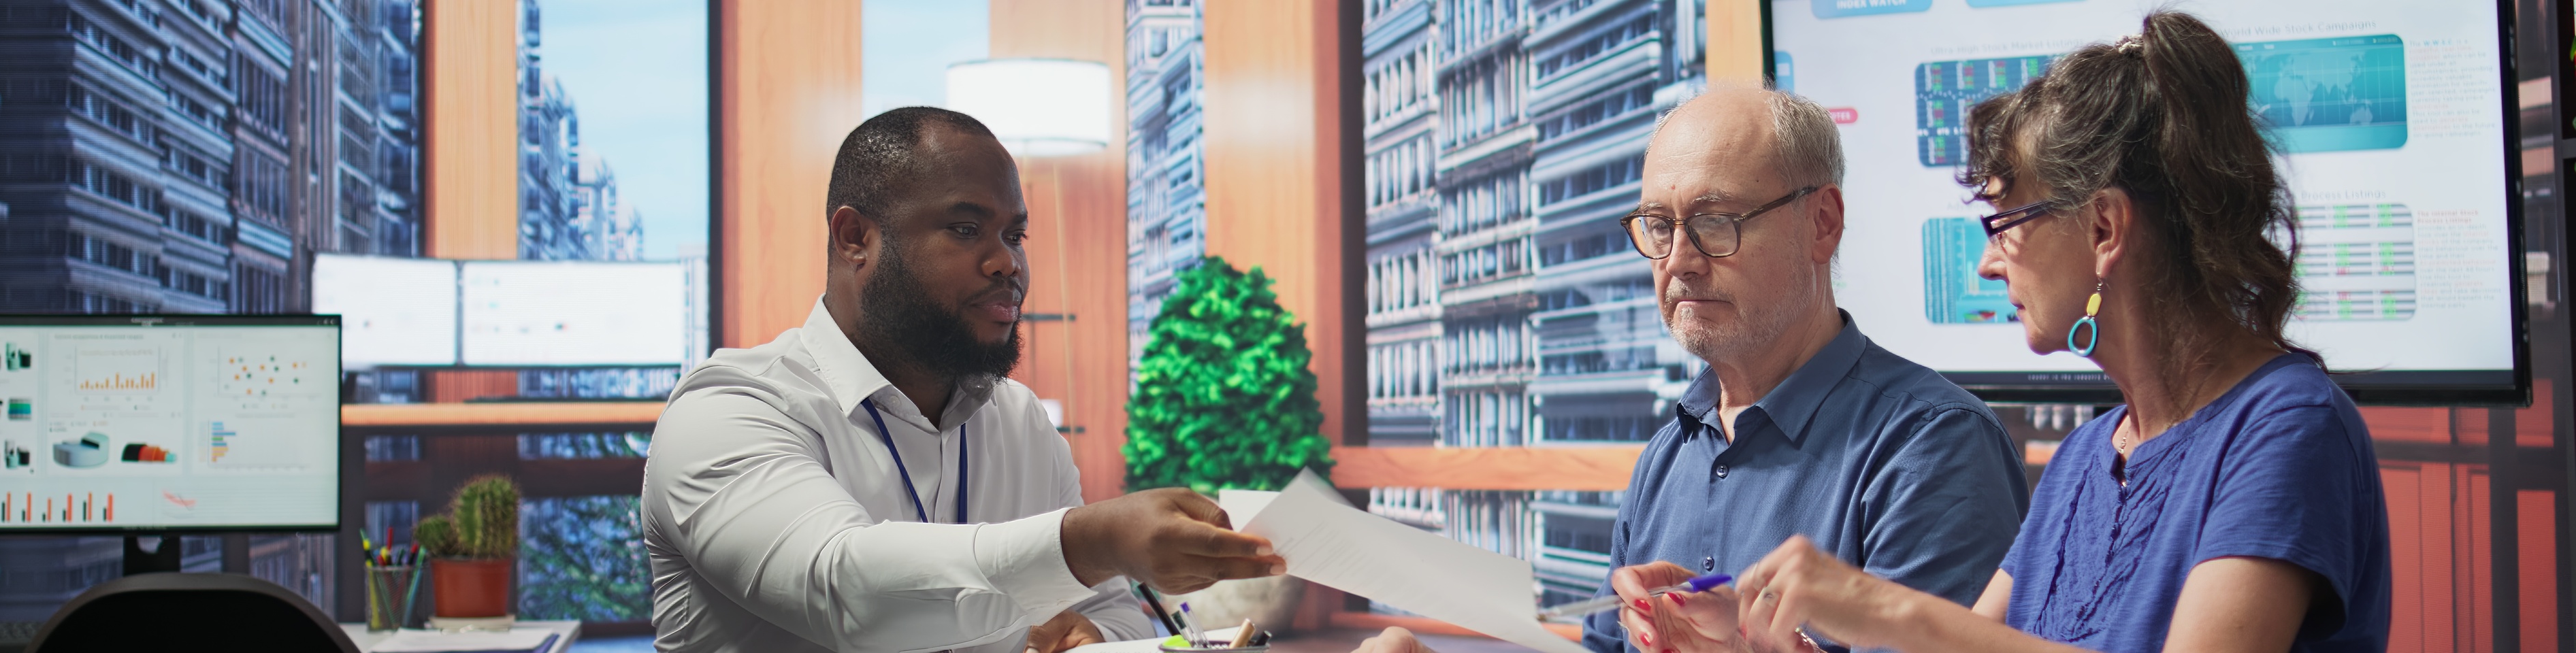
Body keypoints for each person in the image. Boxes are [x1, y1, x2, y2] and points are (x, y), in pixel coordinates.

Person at [1663, 12, 2394, 653]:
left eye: (2006, 225)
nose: (1986, 265)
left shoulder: (2289, 427)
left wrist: (1882, 608)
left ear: (2105, 228)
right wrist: (1755, 644)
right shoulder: (2084, 457)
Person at [1359, 83, 2032, 653]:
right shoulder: (1669, 454)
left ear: (1823, 223)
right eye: (1658, 225)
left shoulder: (1932, 446)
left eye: (1715, 222)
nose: (1678, 261)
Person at [642, 107, 1286, 653]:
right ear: (854, 238)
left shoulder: (1023, 422)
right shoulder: (728, 410)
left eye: (1015, 234)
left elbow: (1115, 612)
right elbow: (844, 589)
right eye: (966, 229)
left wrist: (1091, 633)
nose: (1007, 261)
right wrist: (1087, 541)